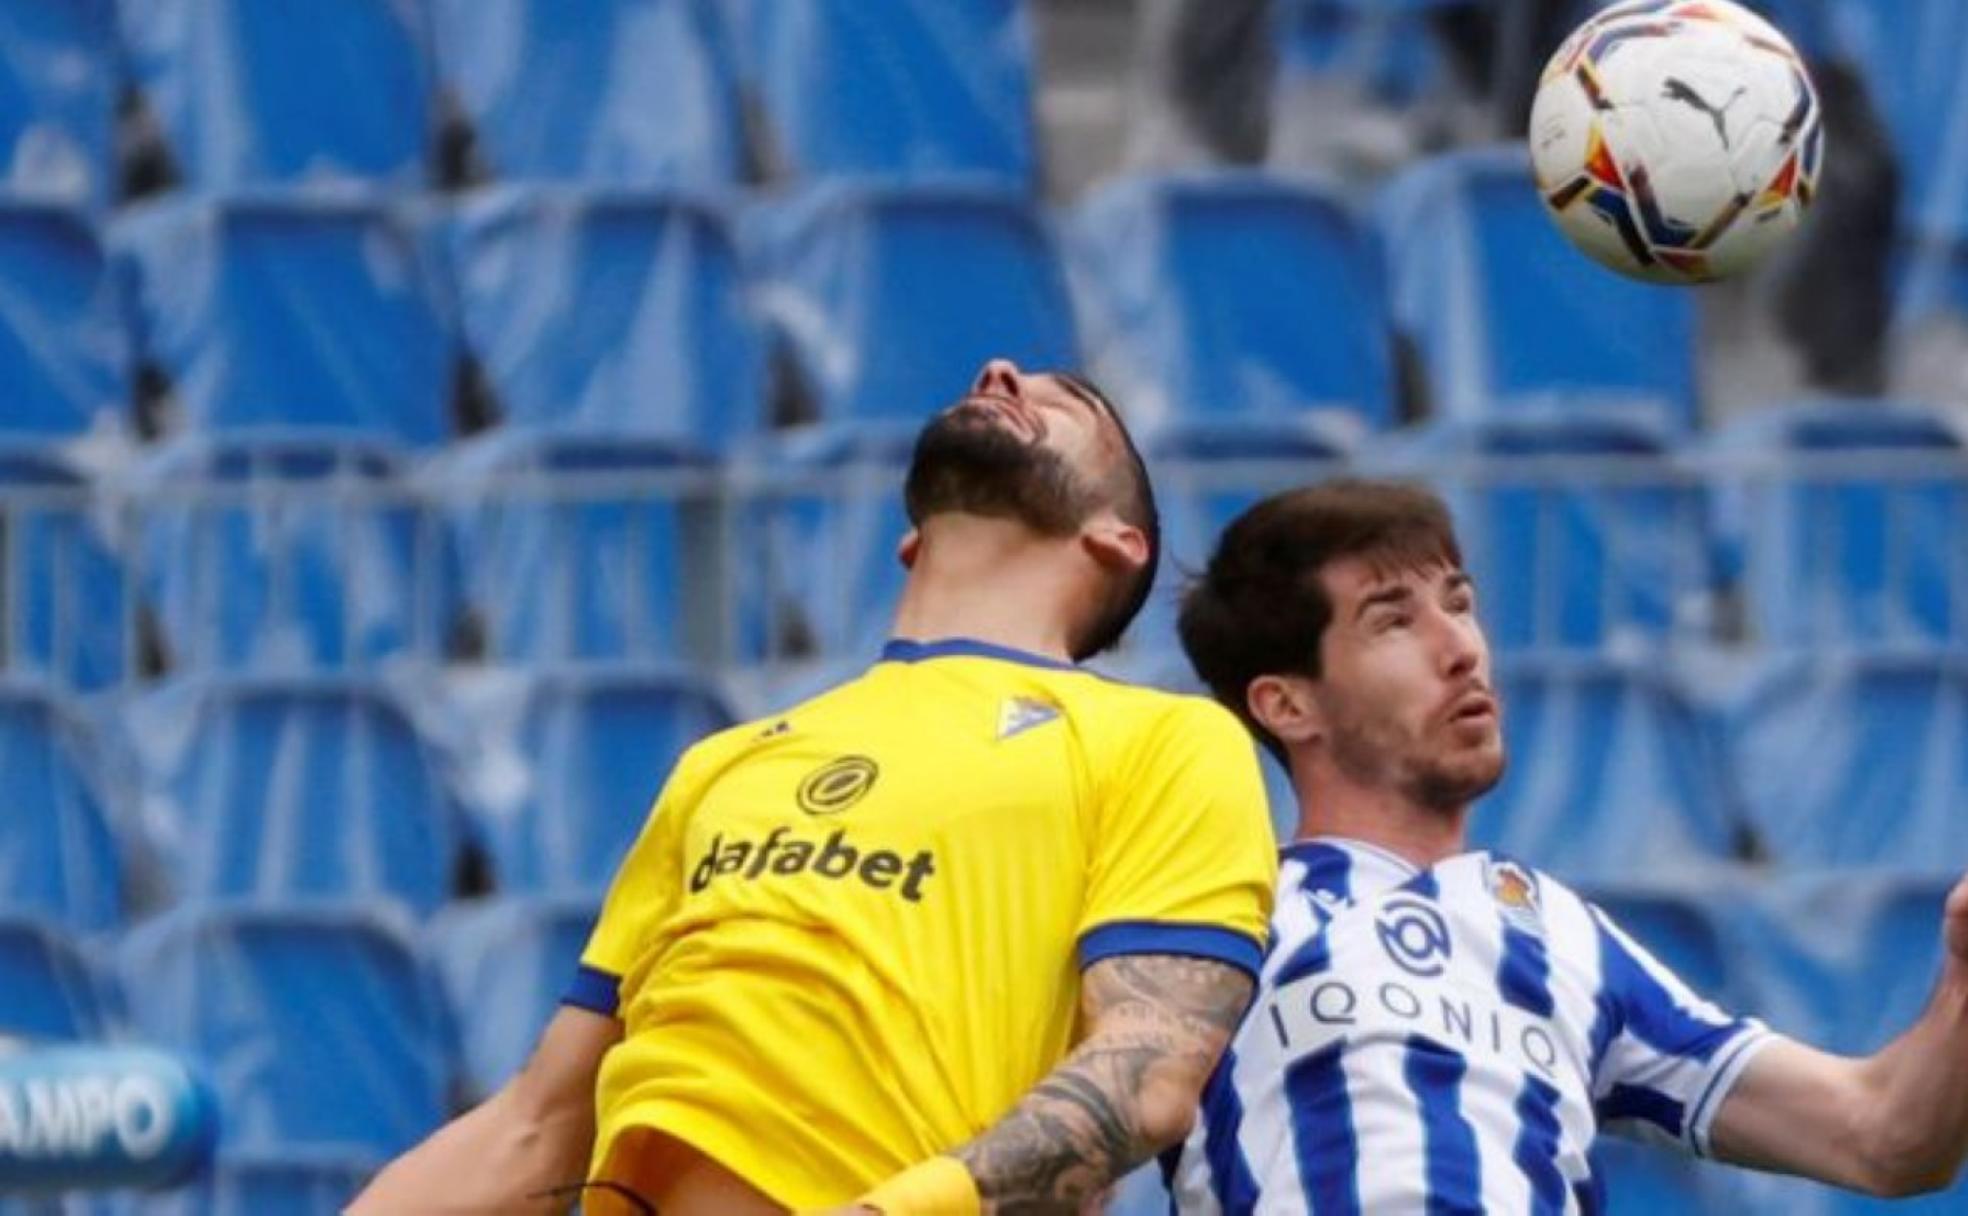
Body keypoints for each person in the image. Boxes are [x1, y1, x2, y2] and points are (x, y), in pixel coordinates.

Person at [348, 359, 1279, 1216]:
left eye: (1067, 400)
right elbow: (537, 1125)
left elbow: (1147, 1073)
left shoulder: (1163, 740)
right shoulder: (725, 766)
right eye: (1004, 374)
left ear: (1119, 541)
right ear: (909, 542)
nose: (1000, 372)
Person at [1167, 478, 1968, 1211]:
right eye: (1393, 620)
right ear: (1287, 704)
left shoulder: (1562, 933)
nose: (1462, 649)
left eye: (1460, 602)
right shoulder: (1212, 920)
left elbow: (1885, 1138)